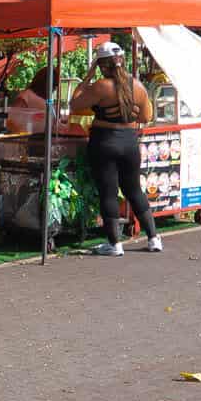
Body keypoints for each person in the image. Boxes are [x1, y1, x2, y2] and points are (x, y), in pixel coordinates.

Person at [67, 40, 162, 256]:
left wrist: (88, 76)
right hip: (129, 141)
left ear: (101, 65)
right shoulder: (136, 85)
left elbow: (75, 104)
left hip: (104, 141)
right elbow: (147, 116)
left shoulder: (101, 86)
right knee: (134, 189)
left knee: (108, 192)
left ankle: (114, 244)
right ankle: (153, 238)